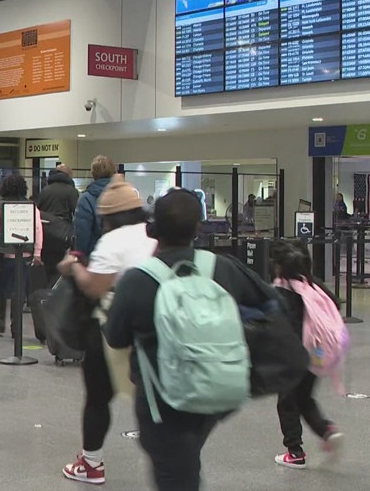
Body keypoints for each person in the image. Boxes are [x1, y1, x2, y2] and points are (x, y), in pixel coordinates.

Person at [104, 188, 277, 491]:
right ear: (199, 228)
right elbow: (273, 304)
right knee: (186, 464)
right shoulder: (221, 267)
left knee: (174, 475)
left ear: (152, 228)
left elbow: (116, 339)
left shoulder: (137, 280)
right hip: (215, 391)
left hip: (162, 400)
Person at [58, 175, 157, 485]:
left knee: (98, 397)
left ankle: (91, 463)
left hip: (113, 328)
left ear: (108, 217)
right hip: (155, 326)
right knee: (152, 393)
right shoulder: (155, 236)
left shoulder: (113, 241)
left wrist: (74, 267)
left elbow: (95, 287)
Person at [268, 239, 343, 469]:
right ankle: (326, 430)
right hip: (317, 350)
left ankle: (295, 451)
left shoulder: (280, 289)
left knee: (287, 402)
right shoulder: (311, 284)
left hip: (295, 354)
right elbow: (336, 303)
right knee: (305, 397)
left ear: (278, 266)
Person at [0, 174, 43, 336]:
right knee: (18, 291)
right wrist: (37, 253)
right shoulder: (31, 207)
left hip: (2, 254)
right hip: (24, 255)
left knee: (0, 287)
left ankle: (0, 320)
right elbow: (38, 230)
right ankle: (15, 326)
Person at [37, 164, 79, 284]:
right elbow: (76, 212)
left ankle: (47, 290)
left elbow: (37, 211)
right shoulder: (70, 191)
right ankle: (54, 290)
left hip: (45, 233)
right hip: (62, 233)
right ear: (68, 176)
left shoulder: (45, 190)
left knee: (48, 265)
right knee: (60, 266)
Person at [74, 155, 116, 257]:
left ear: (93, 173)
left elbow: (82, 233)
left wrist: (80, 256)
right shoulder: (123, 194)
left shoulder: (86, 198)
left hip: (96, 255)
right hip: (122, 255)